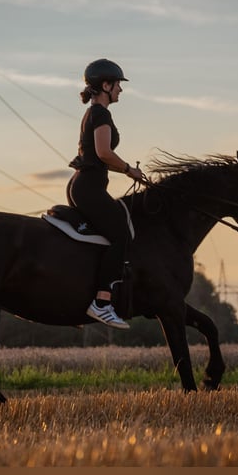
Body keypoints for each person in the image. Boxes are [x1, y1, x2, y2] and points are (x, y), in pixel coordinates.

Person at [66, 58, 144, 329]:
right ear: (106, 85)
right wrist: (129, 170)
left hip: (85, 185)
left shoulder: (94, 113)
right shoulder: (100, 114)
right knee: (122, 232)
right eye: (118, 85)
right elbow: (103, 153)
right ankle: (101, 303)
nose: (121, 90)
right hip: (88, 187)